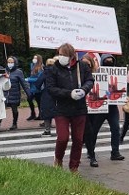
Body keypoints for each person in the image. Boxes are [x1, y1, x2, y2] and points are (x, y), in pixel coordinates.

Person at [46, 43, 94, 172]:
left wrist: (84, 90)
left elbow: (90, 80)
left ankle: (74, 167)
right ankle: (58, 159)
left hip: (79, 109)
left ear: (71, 55)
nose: (61, 57)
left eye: (64, 55)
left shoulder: (82, 67)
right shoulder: (53, 69)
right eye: (59, 54)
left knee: (78, 139)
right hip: (61, 108)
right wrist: (69, 94)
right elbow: (51, 88)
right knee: (63, 137)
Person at [100, 55, 125, 161]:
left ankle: (115, 152)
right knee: (94, 130)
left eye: (111, 61)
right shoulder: (98, 72)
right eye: (107, 61)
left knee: (115, 129)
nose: (109, 62)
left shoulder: (117, 74)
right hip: (100, 106)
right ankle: (90, 152)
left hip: (112, 106)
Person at [4, 56, 32, 131]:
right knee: (1, 110)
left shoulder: (18, 72)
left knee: (14, 110)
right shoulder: (4, 71)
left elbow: (24, 83)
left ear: (15, 63)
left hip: (14, 94)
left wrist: (29, 93)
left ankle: (14, 123)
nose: (10, 64)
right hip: (4, 94)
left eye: (11, 62)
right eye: (8, 62)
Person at [36, 58, 56, 135]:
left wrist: (41, 90)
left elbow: (38, 83)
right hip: (57, 93)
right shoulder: (58, 72)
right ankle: (60, 130)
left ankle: (47, 130)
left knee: (47, 111)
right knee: (58, 112)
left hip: (47, 93)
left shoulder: (44, 73)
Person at [26, 54, 44, 120]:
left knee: (39, 102)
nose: (34, 59)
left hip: (38, 88)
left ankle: (40, 115)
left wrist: (29, 79)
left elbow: (39, 78)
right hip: (32, 88)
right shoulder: (32, 66)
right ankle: (33, 114)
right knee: (29, 99)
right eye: (34, 58)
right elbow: (32, 76)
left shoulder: (41, 67)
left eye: (36, 58)